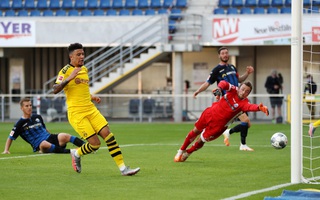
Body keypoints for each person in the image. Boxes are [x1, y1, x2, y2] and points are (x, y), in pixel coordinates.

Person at [52, 43, 140, 175]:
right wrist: (70, 78)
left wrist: (92, 97)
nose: (82, 57)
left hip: (90, 109)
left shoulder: (84, 69)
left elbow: (81, 89)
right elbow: (55, 89)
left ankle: (123, 168)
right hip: (77, 114)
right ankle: (77, 153)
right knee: (95, 144)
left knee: (109, 135)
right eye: (78, 54)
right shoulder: (65, 71)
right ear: (71, 57)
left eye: (83, 54)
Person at [174, 80, 269, 162]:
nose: (243, 92)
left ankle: (188, 152)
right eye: (243, 89)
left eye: (247, 91)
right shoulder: (233, 90)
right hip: (210, 114)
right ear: (239, 88)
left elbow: (250, 107)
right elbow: (224, 83)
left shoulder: (244, 103)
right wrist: (219, 88)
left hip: (218, 126)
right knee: (195, 131)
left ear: (248, 94)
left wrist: (259, 108)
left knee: (202, 140)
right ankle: (181, 150)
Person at [193, 46, 255, 151]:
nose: (225, 55)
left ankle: (230, 133)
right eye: (223, 53)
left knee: (247, 124)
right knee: (246, 120)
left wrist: (247, 73)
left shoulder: (232, 67)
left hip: (238, 99)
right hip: (228, 102)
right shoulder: (217, 70)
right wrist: (198, 91)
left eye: (226, 53)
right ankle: (242, 145)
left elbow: (239, 80)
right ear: (219, 56)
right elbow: (207, 83)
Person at [2, 98, 85, 154]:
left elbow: (45, 129)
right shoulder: (19, 124)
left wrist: (54, 136)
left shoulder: (37, 117)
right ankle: (71, 152)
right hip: (39, 145)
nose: (29, 107)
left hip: (49, 138)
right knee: (44, 144)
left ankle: (86, 147)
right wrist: (6, 150)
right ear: (22, 108)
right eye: (26, 106)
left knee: (65, 135)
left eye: (30, 105)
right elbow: (10, 137)